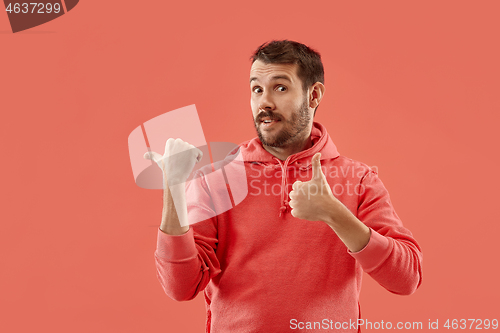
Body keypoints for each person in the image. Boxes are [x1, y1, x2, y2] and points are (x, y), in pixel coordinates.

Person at [147, 40, 423, 333]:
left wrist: (335, 215)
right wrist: (174, 187)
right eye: (257, 89)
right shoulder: (216, 179)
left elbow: (406, 278)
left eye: (280, 88)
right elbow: (181, 287)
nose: (265, 102)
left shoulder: (360, 179)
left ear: (313, 95)